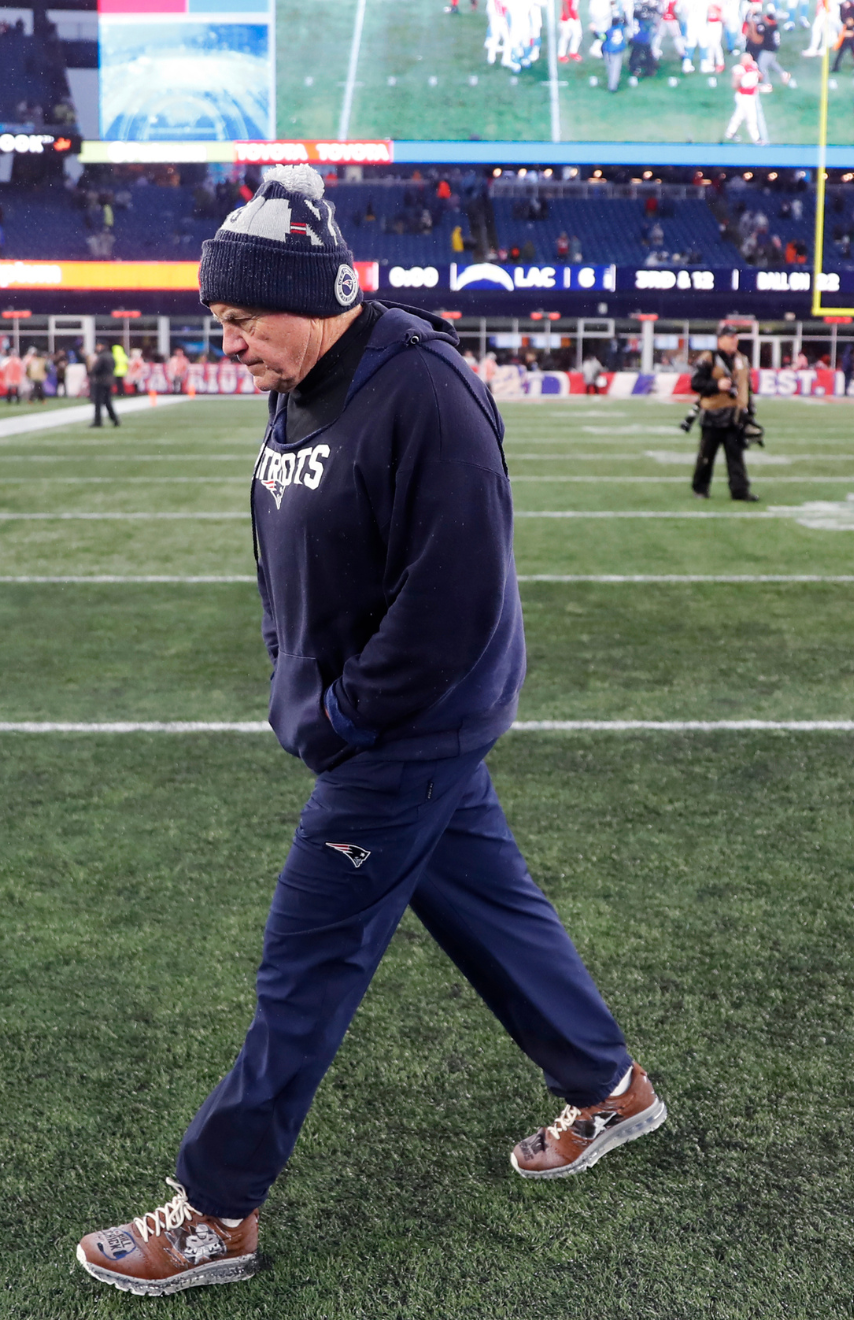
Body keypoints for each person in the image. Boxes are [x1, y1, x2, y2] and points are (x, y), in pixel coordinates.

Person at [76, 165, 663, 1297]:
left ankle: (214, 1213)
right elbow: (291, 540)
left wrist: (344, 713)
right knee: (496, 915)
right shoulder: (304, 382)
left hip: (403, 735)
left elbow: (456, 599)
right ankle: (612, 1087)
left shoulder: (423, 392)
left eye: (243, 319)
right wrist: (289, 663)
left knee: (305, 967)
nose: (228, 343)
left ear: (313, 294)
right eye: (221, 322)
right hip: (378, 726)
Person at [690, 328, 760, 500]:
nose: (734, 340)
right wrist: (717, 385)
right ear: (720, 340)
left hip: (735, 416)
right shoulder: (709, 358)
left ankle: (740, 491)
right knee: (706, 456)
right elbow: (696, 383)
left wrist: (749, 411)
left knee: (736, 456)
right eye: (730, 337)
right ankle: (700, 489)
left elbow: (746, 387)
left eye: (735, 337)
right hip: (713, 414)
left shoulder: (742, 359)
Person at [727, 54, 768, 142]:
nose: (750, 60)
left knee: (739, 115)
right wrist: (741, 81)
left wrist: (758, 76)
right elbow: (734, 85)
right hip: (744, 97)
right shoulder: (739, 69)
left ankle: (730, 132)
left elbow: (760, 77)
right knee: (752, 118)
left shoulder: (753, 65)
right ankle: (756, 138)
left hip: (751, 96)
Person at [89, 343, 120, 428]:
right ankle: (115, 419)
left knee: (98, 402)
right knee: (107, 401)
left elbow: (96, 369)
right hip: (109, 381)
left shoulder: (101, 357)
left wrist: (91, 372)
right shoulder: (110, 355)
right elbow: (114, 366)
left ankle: (98, 421)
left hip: (101, 381)